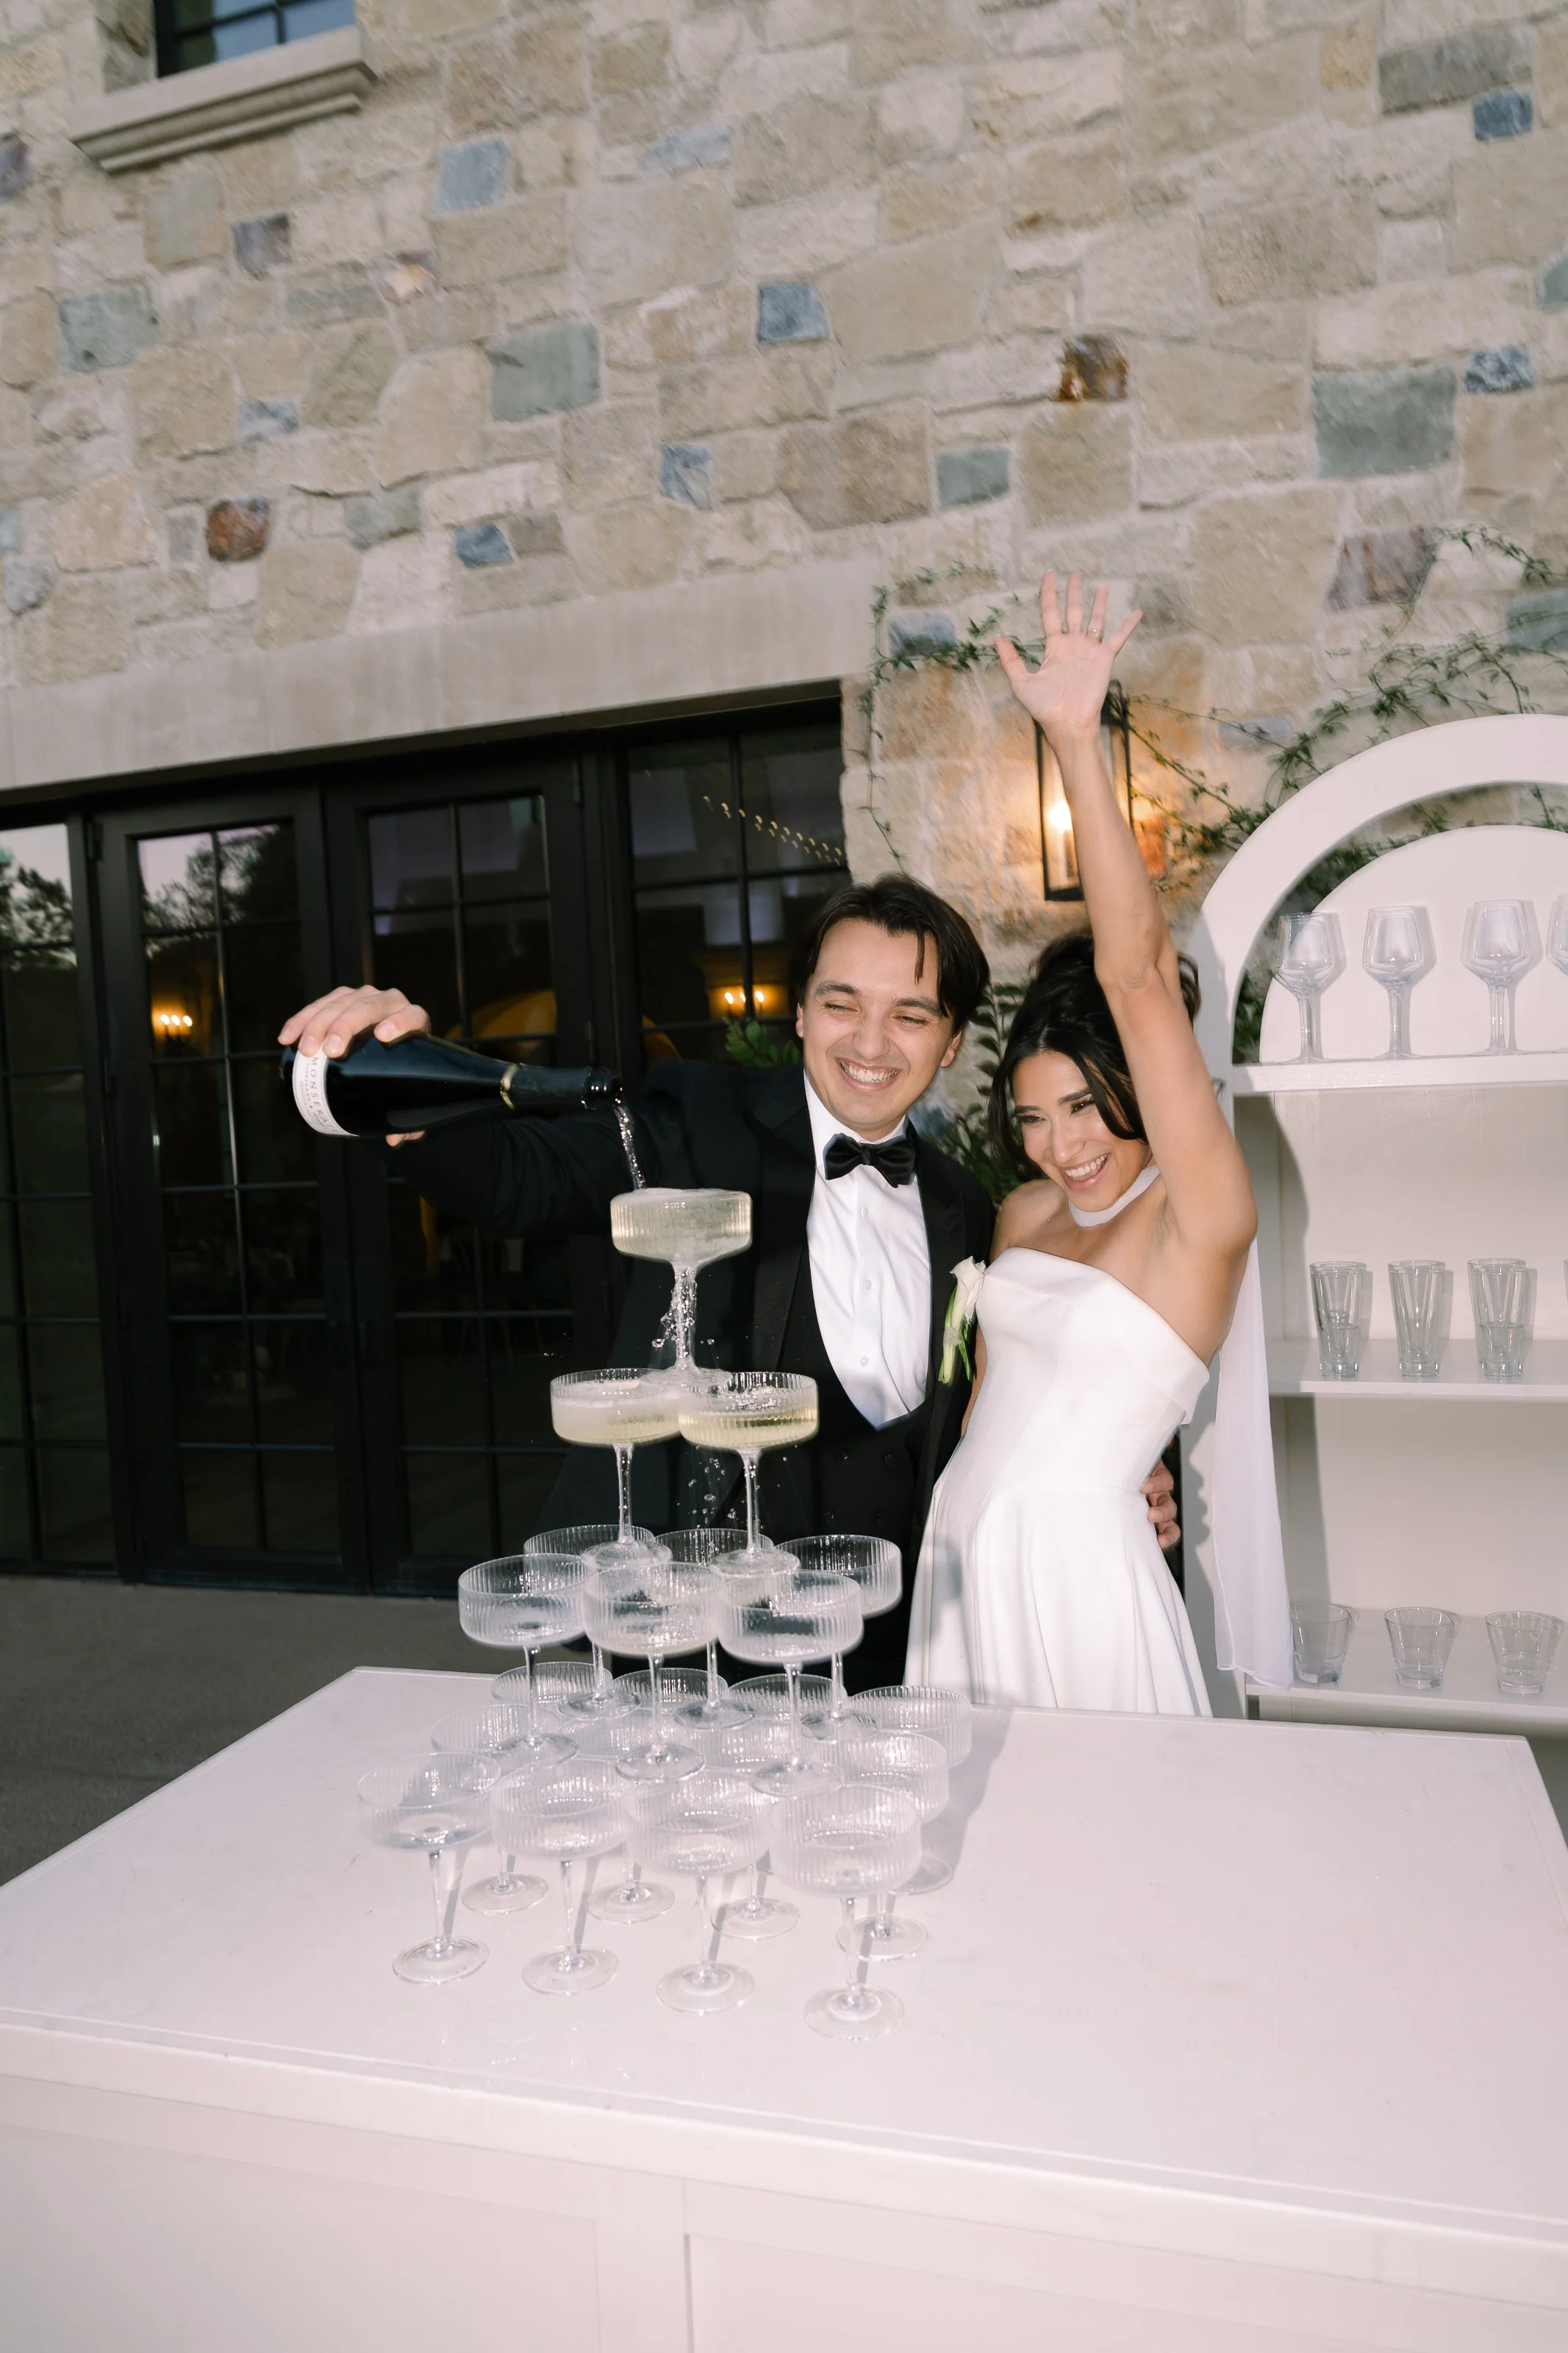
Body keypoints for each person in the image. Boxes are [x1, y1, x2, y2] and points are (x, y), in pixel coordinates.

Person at [279, 872, 1179, 1690]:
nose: (871, 1041)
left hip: (899, 1635)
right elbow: (524, 1178)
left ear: (949, 1043)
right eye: (841, 1004)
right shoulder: (700, 1121)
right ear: (798, 1014)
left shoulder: (962, 1202)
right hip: (693, 1628)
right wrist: (409, 1086)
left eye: (911, 1014)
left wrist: (1124, 1466)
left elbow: (1037, 1369)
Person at [907, 571, 1289, 1712]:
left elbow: (1134, 976)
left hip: (1079, 1582)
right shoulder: (1021, 1217)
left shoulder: (1198, 1218)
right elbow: (989, 1403)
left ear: (1136, 1086)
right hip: (961, 1562)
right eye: (1029, 1118)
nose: (1058, 1148)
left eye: (1082, 1107)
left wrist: (1075, 740)